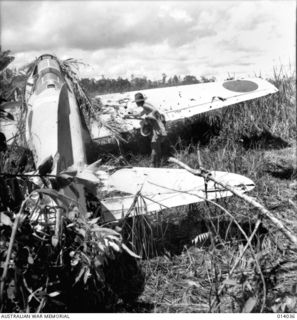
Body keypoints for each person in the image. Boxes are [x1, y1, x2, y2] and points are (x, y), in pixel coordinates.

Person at [133, 92, 167, 167]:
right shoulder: (145, 106)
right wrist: (131, 115)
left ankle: (152, 164)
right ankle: (159, 163)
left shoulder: (145, 105)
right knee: (157, 146)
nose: (136, 103)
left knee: (154, 145)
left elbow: (155, 111)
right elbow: (140, 114)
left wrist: (147, 118)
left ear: (139, 101)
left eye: (136, 102)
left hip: (158, 128)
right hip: (158, 128)